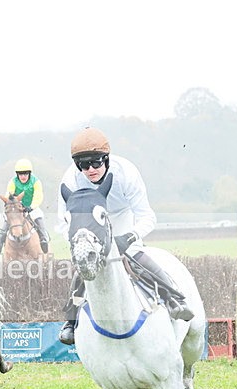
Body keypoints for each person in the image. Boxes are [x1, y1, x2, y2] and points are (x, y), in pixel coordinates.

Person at [56, 127, 194, 345]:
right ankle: (70, 321)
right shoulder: (70, 181)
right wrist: (80, 244)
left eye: (96, 162)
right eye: (83, 164)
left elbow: (147, 216)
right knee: (83, 266)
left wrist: (130, 236)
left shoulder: (127, 173)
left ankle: (173, 298)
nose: (90, 169)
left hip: (122, 219)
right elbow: (64, 223)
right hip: (90, 227)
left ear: (106, 159)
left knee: (134, 253)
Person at [0, 158, 50, 254]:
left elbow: (38, 197)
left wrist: (31, 207)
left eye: (25, 174)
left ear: (29, 173)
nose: (23, 176)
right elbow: (9, 195)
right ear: (17, 174)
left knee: (38, 216)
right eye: (21, 174)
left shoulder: (36, 182)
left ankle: (44, 239)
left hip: (31, 207)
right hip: (17, 208)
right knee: (8, 218)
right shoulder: (13, 182)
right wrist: (9, 204)